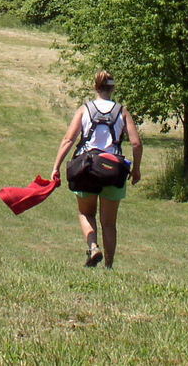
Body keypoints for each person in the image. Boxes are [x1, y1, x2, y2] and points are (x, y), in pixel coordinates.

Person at [51, 71, 143, 269]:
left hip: (87, 169)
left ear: (95, 87)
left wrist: (56, 166)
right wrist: (136, 170)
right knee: (109, 223)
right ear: (113, 88)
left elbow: (69, 139)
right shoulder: (122, 111)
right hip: (113, 170)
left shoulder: (84, 110)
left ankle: (93, 247)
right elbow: (136, 143)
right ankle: (109, 267)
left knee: (86, 214)